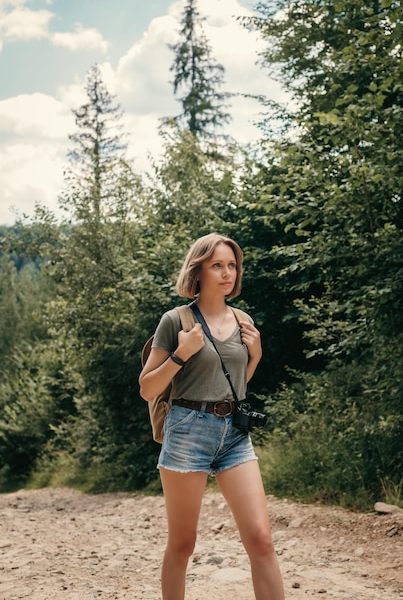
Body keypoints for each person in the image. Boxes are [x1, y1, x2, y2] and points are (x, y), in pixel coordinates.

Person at [139, 233, 285, 600]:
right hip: (188, 431)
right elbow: (147, 388)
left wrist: (256, 356)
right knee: (183, 544)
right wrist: (180, 354)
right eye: (217, 265)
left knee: (261, 540)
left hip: (234, 434)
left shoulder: (244, 320)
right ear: (198, 271)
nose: (227, 273)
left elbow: (235, 386)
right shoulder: (176, 320)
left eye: (232, 265)